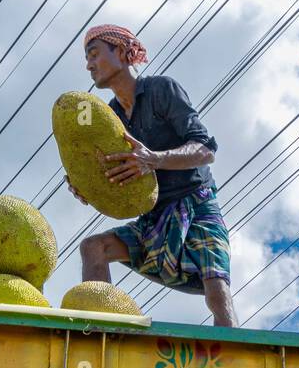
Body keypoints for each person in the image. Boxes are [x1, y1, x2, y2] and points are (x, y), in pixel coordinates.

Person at [70, 24, 238, 326]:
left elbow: (205, 149)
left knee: (217, 290)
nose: (89, 64)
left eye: (94, 54)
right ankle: (101, 331)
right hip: (153, 215)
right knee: (93, 248)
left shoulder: (162, 90)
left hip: (196, 204)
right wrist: (86, 185)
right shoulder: (110, 116)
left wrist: (154, 159)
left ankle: (233, 359)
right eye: (87, 59)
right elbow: (114, 172)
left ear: (120, 52)